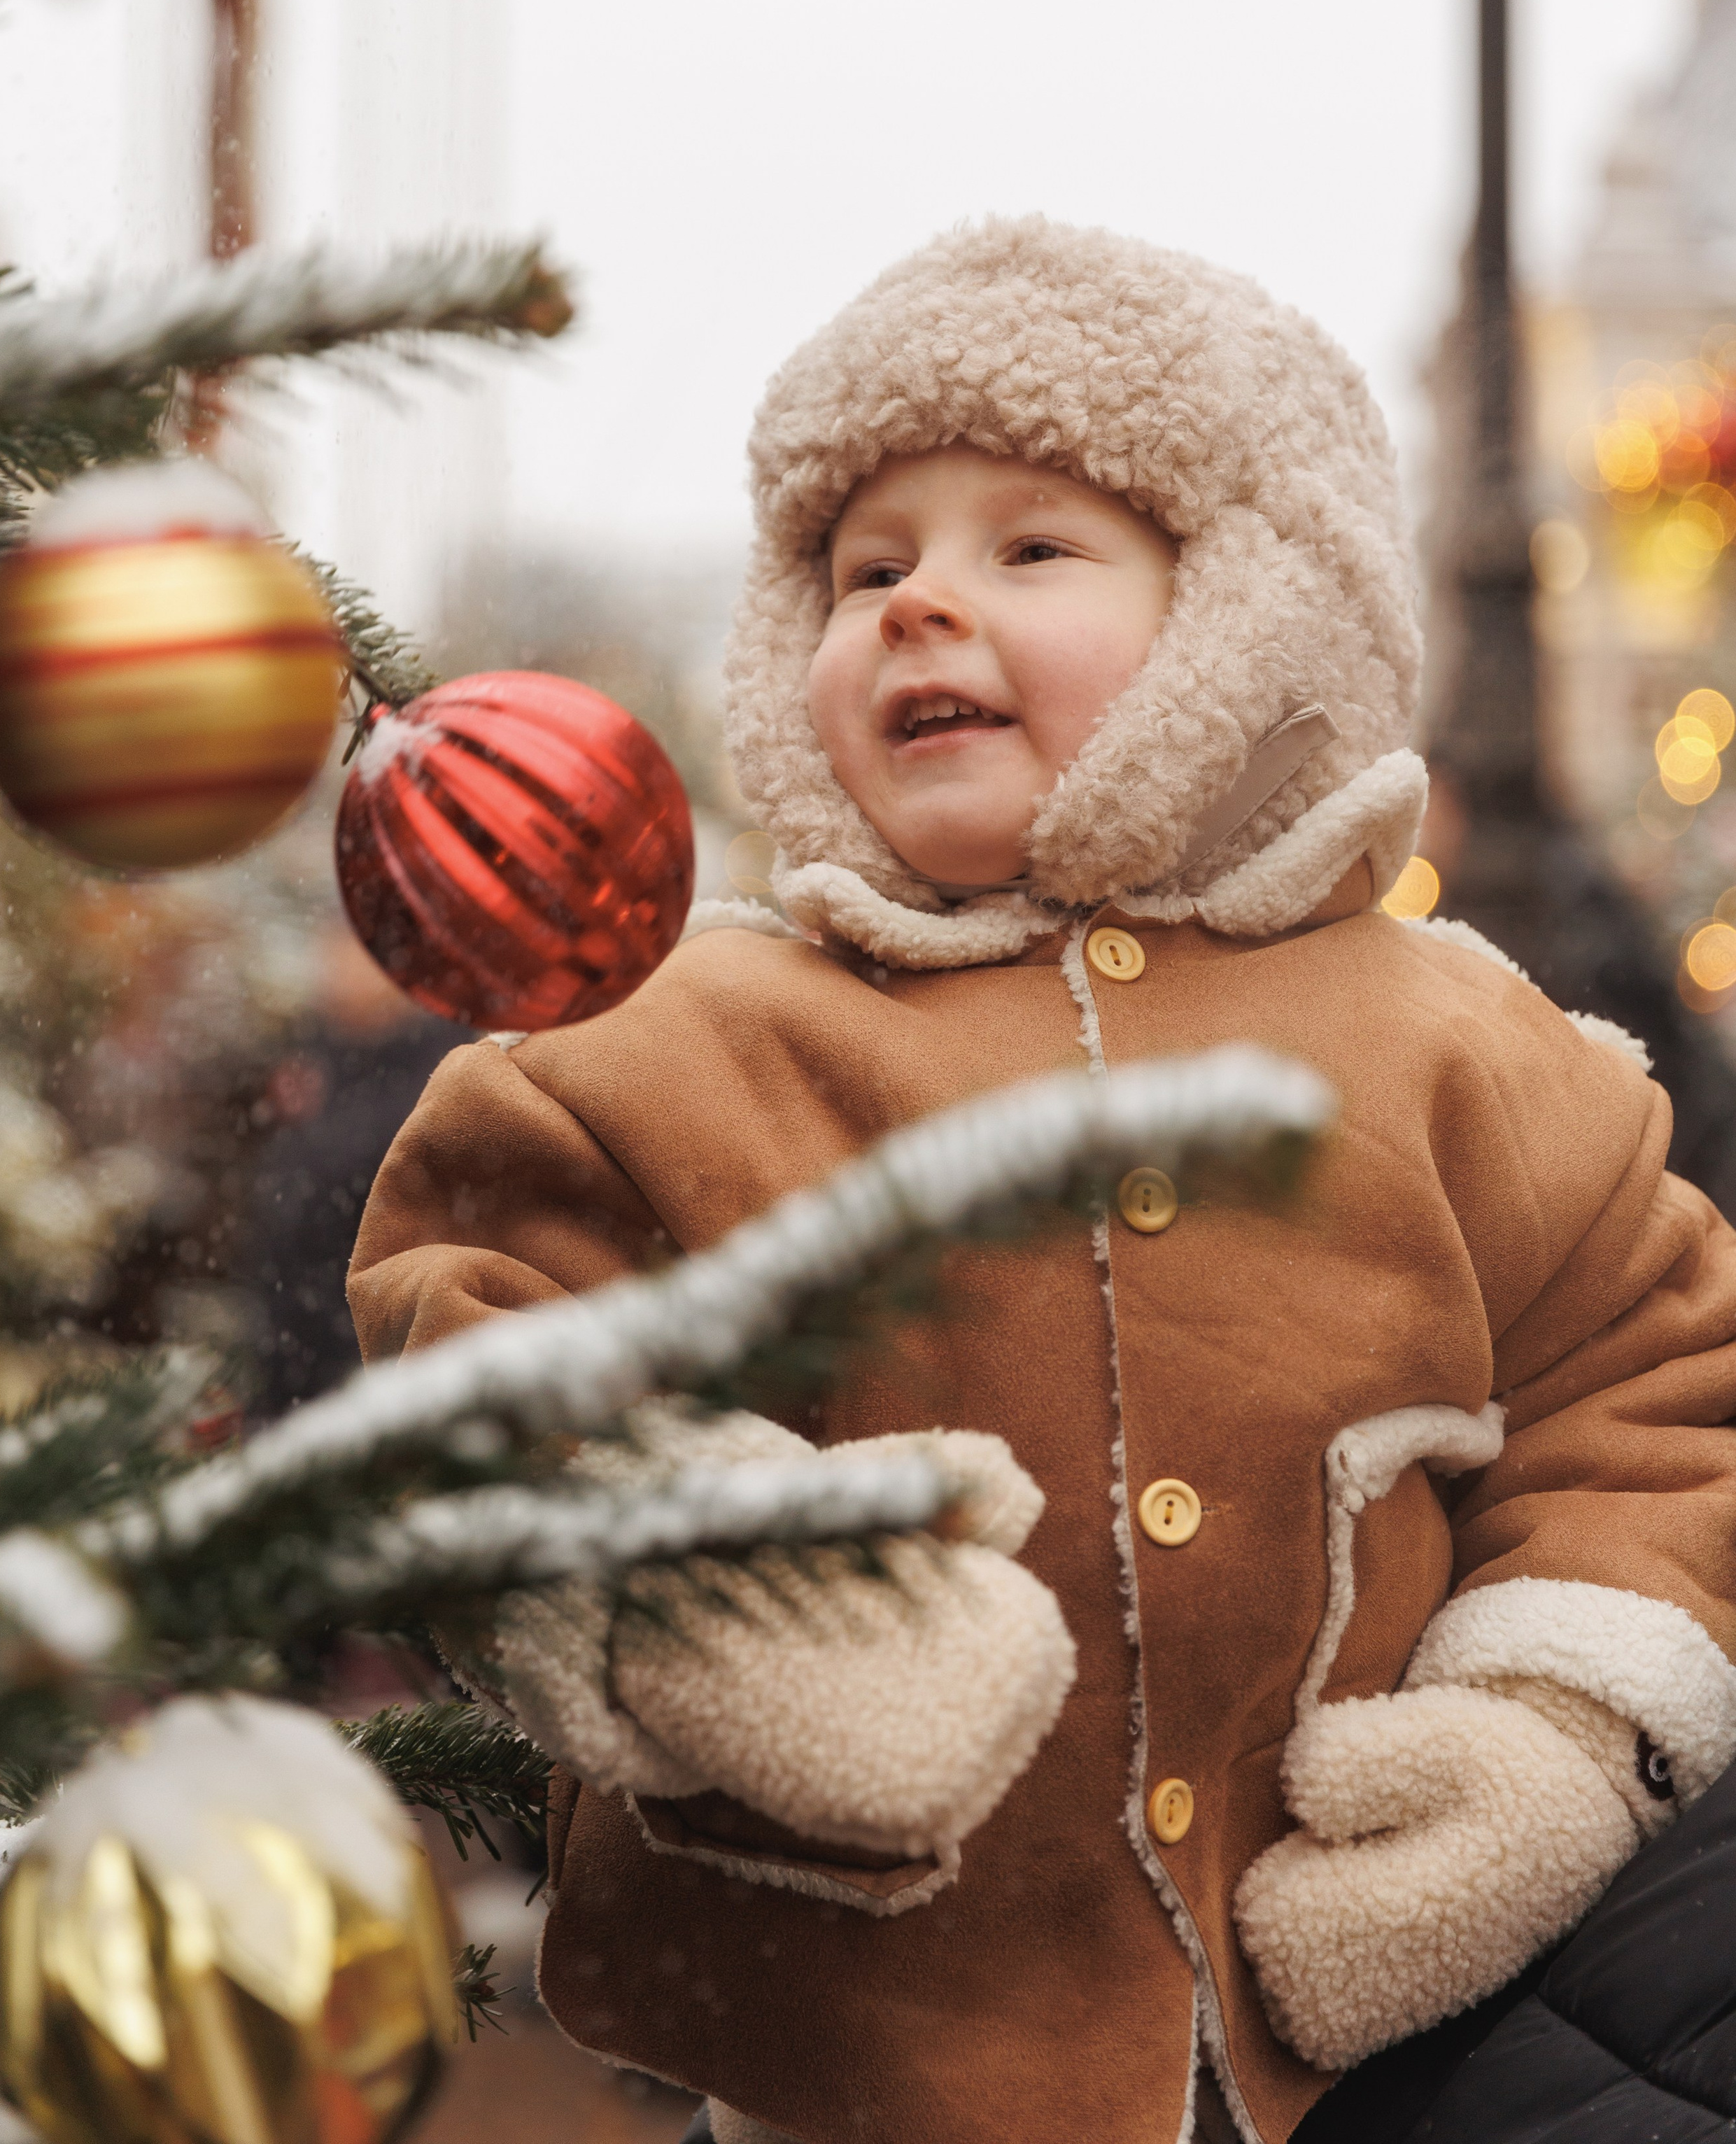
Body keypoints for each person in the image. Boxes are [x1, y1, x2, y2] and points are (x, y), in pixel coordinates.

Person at [349, 218, 1736, 2144]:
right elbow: (475, 1324)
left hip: (1351, 2070)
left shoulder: (1456, 1048)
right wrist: (721, 1597)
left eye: (1031, 547)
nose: (919, 604)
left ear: (1253, 620)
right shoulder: (696, 1038)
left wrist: (1548, 1739)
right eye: (864, 567)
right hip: (861, 2067)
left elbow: (1651, 1399)